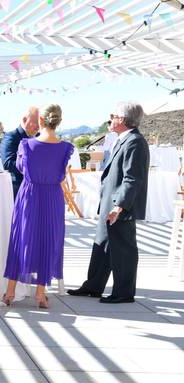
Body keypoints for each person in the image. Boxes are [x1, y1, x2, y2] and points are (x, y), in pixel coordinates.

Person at [67, 102, 149, 304]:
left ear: (122, 119)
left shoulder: (135, 142)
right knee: (103, 245)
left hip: (120, 205)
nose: (110, 119)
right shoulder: (124, 140)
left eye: (112, 115)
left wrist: (119, 206)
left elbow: (133, 178)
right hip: (110, 203)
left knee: (123, 249)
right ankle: (93, 286)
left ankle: (123, 292)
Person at [1, 105, 74, 309]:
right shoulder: (65, 148)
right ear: (58, 121)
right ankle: (40, 295)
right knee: (48, 240)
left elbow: (20, 168)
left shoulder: (26, 144)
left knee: (21, 239)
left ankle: (10, 292)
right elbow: (61, 174)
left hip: (29, 195)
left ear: (41, 121)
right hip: (52, 197)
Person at [0, 107, 40, 199]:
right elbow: (8, 163)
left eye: (40, 123)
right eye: (35, 122)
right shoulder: (11, 137)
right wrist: (33, 167)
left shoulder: (39, 137)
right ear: (25, 119)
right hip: (19, 187)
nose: (38, 126)